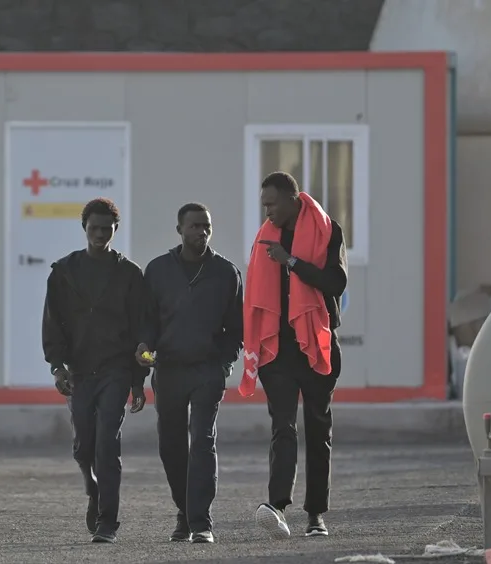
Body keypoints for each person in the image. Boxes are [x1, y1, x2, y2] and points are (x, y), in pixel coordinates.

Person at [239, 171, 347, 539]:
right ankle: (277, 507)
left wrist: (292, 262)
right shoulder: (266, 236)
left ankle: (316, 515)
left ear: (292, 198)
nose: (266, 211)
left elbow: (336, 282)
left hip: (316, 342)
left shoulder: (327, 230)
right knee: (283, 425)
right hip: (278, 347)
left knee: (318, 429)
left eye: (271, 203)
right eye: (263, 204)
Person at [42, 197, 150, 544]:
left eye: (108, 228)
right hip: (79, 371)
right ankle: (93, 486)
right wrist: (57, 367)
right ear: (84, 228)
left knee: (107, 444)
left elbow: (139, 328)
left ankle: (108, 522)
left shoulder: (129, 273)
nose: (101, 234)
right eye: (95, 228)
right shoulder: (64, 272)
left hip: (116, 370)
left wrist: (138, 380)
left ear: (116, 230)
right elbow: (52, 324)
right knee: (83, 447)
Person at [136, 203, 244, 544]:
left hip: (206, 371)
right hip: (167, 370)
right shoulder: (157, 270)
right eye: (195, 226)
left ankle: (201, 521)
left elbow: (236, 329)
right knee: (171, 445)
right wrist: (144, 348)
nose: (202, 232)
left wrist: (224, 364)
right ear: (180, 229)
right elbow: (147, 321)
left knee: (202, 441)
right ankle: (184, 513)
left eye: (207, 226)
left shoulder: (226, 273)